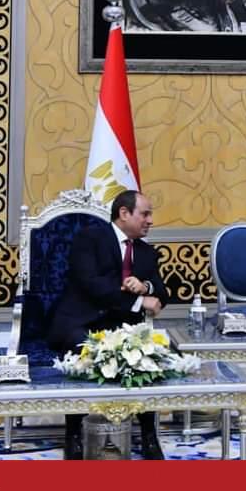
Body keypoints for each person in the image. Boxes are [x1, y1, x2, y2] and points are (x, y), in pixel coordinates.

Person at [48, 189, 169, 460]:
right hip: (83, 320)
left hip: (124, 326)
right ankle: (73, 433)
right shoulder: (90, 237)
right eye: (145, 214)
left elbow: (162, 292)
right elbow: (91, 284)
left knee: (148, 353)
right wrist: (138, 301)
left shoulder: (146, 252)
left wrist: (145, 286)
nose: (150, 220)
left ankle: (149, 434)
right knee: (81, 348)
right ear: (124, 213)